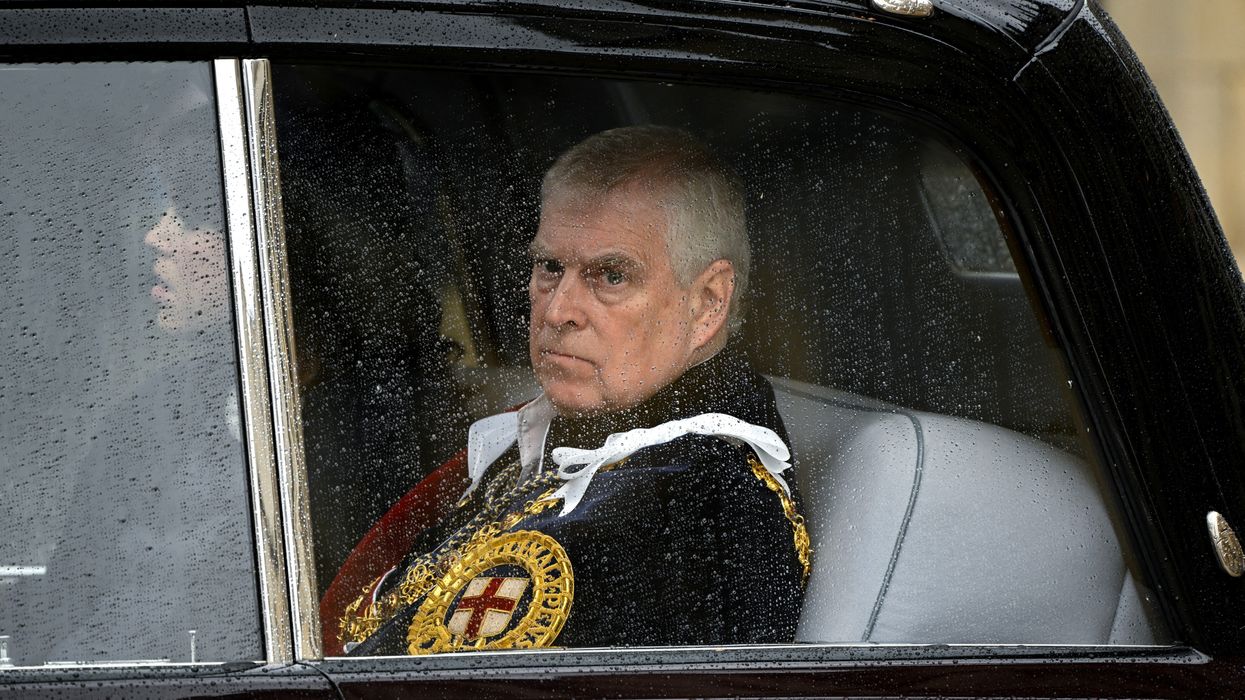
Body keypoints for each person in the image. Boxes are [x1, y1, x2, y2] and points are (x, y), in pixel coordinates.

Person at [328, 125, 809, 656]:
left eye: (611, 276)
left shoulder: (687, 513)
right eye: (549, 267)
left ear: (706, 304)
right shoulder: (587, 439)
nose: (557, 311)